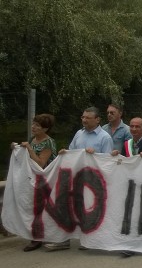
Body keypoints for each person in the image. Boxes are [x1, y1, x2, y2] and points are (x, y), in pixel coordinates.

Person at [52, 107, 113, 251]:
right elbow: (72, 152)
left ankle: (90, 240)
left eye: (88, 118)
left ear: (97, 119)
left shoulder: (105, 137)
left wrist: (95, 154)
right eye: (83, 117)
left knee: (90, 210)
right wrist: (65, 153)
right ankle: (64, 239)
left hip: (93, 183)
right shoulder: (79, 134)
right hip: (76, 179)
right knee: (70, 208)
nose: (84, 120)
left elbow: (108, 161)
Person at [15, 113, 57, 252]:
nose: (33, 127)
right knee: (35, 207)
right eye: (33, 123)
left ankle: (38, 238)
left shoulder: (48, 142)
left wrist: (29, 148)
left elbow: (41, 163)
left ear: (45, 129)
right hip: (33, 179)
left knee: (40, 208)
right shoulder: (33, 139)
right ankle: (39, 235)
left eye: (37, 125)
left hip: (46, 180)